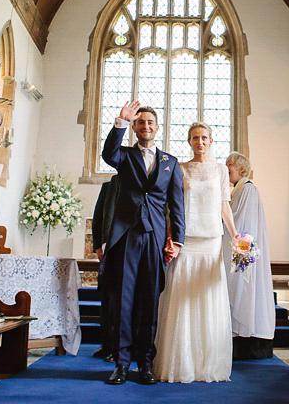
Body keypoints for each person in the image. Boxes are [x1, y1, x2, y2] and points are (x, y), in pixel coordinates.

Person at [101, 101, 185, 385]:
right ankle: (121, 364)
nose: (145, 126)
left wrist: (178, 241)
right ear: (135, 128)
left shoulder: (170, 163)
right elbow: (108, 154)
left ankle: (145, 362)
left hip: (156, 238)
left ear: (157, 128)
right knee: (124, 301)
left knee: (149, 301)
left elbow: (176, 205)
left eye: (150, 122)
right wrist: (119, 123)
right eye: (140, 122)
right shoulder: (124, 155)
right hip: (127, 235)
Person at [154, 121, 239, 383]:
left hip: (212, 239)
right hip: (186, 239)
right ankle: (180, 362)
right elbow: (173, 207)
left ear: (211, 141)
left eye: (204, 138)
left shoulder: (221, 170)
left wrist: (236, 236)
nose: (199, 142)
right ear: (189, 142)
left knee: (208, 297)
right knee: (182, 297)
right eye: (194, 138)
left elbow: (224, 205)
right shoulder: (179, 168)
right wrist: (170, 237)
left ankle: (207, 363)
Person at [224, 151, 276, 359]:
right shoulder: (237, 189)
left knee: (243, 291)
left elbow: (243, 223)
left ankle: (247, 339)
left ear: (241, 169)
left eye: (229, 165)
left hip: (242, 252)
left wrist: (241, 259)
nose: (225, 168)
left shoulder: (248, 190)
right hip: (238, 250)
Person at [91, 174, 121, 362]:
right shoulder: (109, 186)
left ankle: (122, 345)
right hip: (110, 250)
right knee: (109, 299)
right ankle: (107, 344)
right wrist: (98, 245)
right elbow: (98, 217)